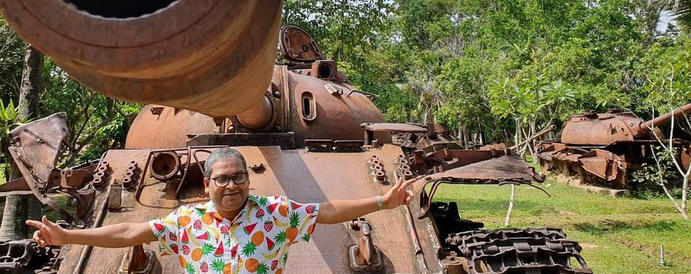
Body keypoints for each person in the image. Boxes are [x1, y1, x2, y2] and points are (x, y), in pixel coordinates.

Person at [27, 147, 415, 274]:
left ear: (248, 179)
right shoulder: (186, 221)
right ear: (207, 183)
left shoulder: (276, 213)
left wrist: (383, 202)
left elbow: (327, 211)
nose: (232, 186)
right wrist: (68, 237)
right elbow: (130, 233)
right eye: (222, 179)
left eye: (238, 178)